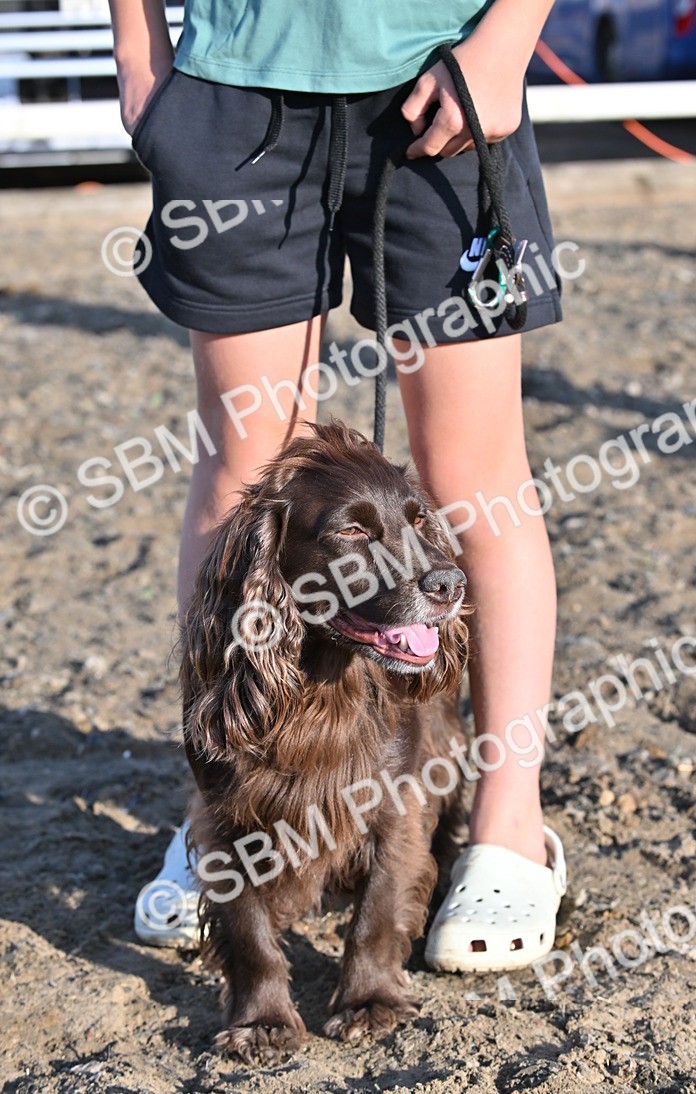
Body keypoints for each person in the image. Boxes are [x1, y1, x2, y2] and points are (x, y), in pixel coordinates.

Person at [113, 0, 567, 972]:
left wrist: (505, 43)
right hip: (239, 83)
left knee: (468, 477)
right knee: (247, 472)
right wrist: (137, 45)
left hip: (445, 71)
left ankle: (506, 826)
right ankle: (222, 818)